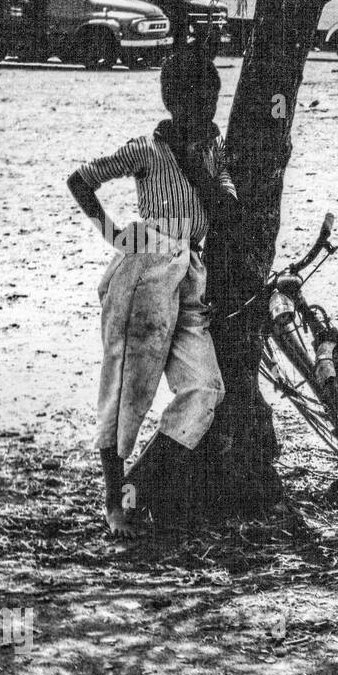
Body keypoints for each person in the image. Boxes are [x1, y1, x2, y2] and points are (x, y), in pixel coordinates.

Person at [67, 49, 236, 536]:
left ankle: (134, 487)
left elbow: (226, 207)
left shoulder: (210, 149)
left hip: (189, 272)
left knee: (205, 390)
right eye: (196, 104)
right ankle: (115, 504)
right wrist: (116, 236)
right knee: (126, 391)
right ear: (172, 102)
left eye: (211, 103)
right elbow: (82, 179)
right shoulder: (146, 149)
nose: (205, 114)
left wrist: (198, 161)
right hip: (144, 268)